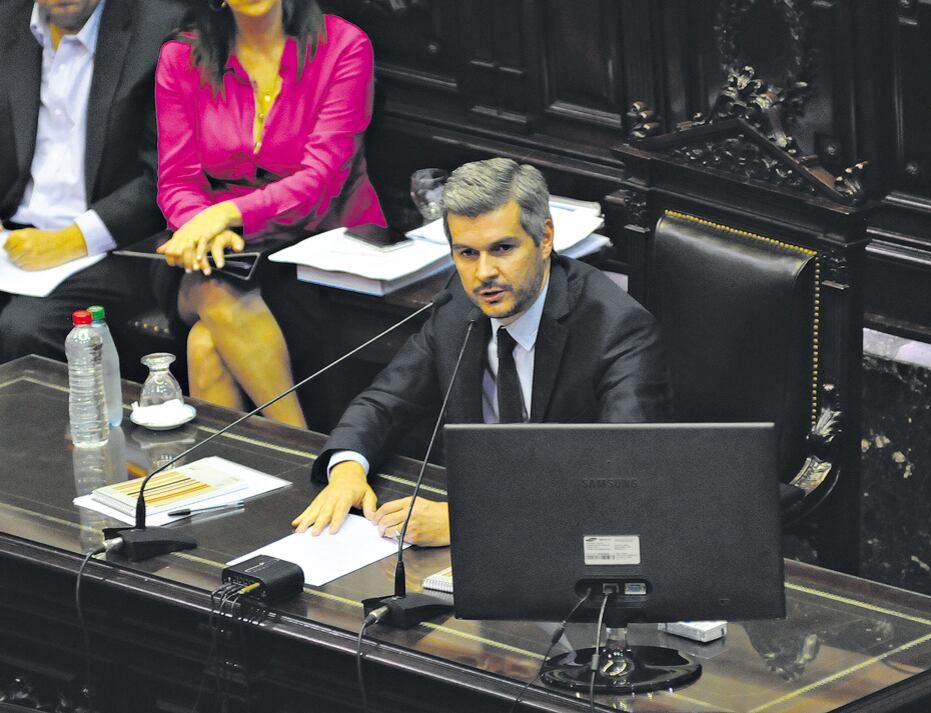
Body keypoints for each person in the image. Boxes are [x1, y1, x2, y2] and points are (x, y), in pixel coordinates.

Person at [293, 158, 672, 546]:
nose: (483, 274)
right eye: (467, 254)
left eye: (502, 249)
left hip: (565, 541)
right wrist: (347, 471)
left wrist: (468, 523)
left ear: (544, 239)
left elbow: (621, 480)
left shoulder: (619, 331)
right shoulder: (458, 305)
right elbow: (384, 401)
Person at [154, 0, 384, 427]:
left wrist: (226, 215)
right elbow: (177, 181)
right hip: (214, 254)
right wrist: (205, 228)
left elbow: (320, 183)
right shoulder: (181, 57)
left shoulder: (343, 47)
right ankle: (305, 456)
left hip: (319, 252)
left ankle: (240, 487)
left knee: (207, 344)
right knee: (216, 287)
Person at [0, 0, 184, 362]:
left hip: (116, 244)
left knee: (25, 331)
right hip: (14, 234)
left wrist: (72, 240)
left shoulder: (161, 29)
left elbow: (167, 173)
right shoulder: (8, 20)